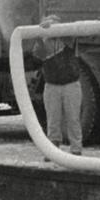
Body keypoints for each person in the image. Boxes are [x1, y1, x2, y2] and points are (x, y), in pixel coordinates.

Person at [32, 14, 83, 157]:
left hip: (71, 84)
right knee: (53, 120)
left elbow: (70, 38)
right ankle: (53, 150)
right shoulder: (43, 41)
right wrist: (40, 35)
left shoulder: (67, 37)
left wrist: (54, 29)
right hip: (51, 84)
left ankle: (76, 150)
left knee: (73, 119)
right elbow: (37, 57)